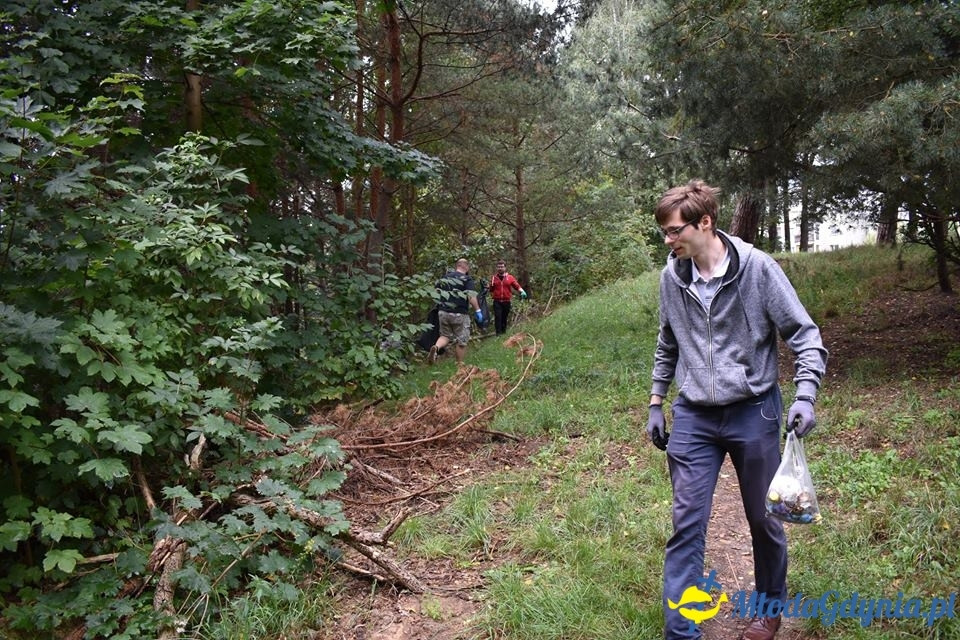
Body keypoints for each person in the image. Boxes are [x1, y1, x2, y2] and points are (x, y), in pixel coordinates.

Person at [646, 180, 827, 640]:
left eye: (673, 231)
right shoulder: (673, 276)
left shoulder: (758, 270)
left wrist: (805, 395)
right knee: (686, 523)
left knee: (764, 520)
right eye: (665, 233)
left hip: (754, 411)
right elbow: (668, 343)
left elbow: (805, 336)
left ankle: (768, 610)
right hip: (694, 415)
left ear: (704, 222)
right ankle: (680, 632)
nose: (669, 241)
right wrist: (655, 400)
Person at [429, 258, 483, 365]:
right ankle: (459, 365)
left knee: (445, 335)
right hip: (460, 313)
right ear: (466, 267)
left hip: (443, 312)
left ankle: (436, 347)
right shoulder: (467, 279)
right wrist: (478, 310)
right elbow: (471, 295)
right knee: (461, 340)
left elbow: (435, 293)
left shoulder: (445, 278)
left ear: (457, 266)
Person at [488, 259, 527, 336]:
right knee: (498, 317)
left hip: (506, 301)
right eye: (498, 267)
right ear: (497, 268)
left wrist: (522, 291)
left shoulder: (510, 277)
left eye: (502, 267)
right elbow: (491, 289)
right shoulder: (494, 278)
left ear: (505, 268)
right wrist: (488, 287)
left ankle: (503, 332)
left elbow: (516, 285)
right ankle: (498, 334)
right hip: (497, 301)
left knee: (504, 317)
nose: (500, 268)